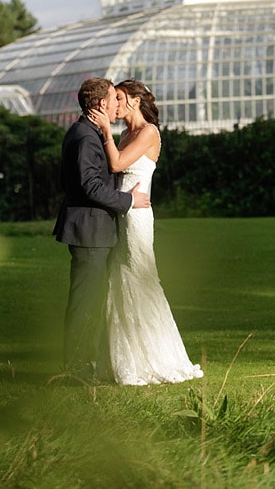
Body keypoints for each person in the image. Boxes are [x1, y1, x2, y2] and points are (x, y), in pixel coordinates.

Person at [88, 79, 203, 385]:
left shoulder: (149, 132)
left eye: (121, 97)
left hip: (137, 217)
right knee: (118, 280)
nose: (116, 103)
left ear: (136, 101)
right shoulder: (125, 133)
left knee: (141, 279)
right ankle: (123, 358)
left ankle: (157, 358)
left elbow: (116, 164)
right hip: (120, 213)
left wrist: (104, 131)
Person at [52, 77, 151, 384]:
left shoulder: (88, 132)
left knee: (90, 299)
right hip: (90, 232)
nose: (116, 105)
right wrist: (129, 200)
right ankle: (77, 371)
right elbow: (90, 187)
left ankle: (82, 366)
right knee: (85, 301)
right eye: (113, 100)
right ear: (101, 104)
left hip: (93, 230)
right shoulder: (85, 136)